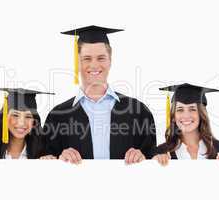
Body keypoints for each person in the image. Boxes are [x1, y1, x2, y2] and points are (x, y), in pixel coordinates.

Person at [42, 25, 156, 164]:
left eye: (101, 58)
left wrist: (143, 158)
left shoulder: (138, 111)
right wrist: (59, 160)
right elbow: (45, 163)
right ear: (77, 61)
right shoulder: (58, 115)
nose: (94, 65)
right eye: (87, 58)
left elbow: (153, 160)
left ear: (110, 60)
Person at [152, 83, 219, 164]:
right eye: (180, 110)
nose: (186, 115)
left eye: (192, 109)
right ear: (173, 116)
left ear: (201, 114)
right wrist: (153, 166)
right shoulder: (160, 153)